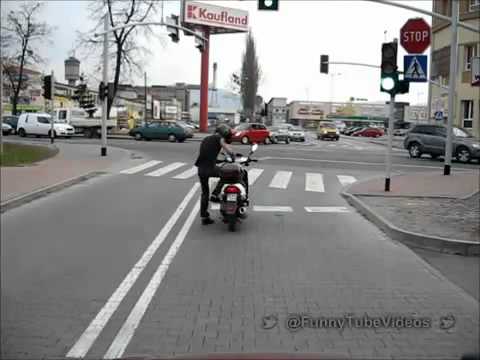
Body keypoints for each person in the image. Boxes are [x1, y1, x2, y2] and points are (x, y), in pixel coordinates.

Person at [194, 124, 236, 225]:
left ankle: (204, 217)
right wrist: (232, 156)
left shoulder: (205, 139)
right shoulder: (219, 138)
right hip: (210, 169)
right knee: (227, 175)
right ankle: (215, 194)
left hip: (201, 169)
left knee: (204, 193)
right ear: (223, 133)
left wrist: (220, 160)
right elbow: (228, 149)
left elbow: (208, 156)